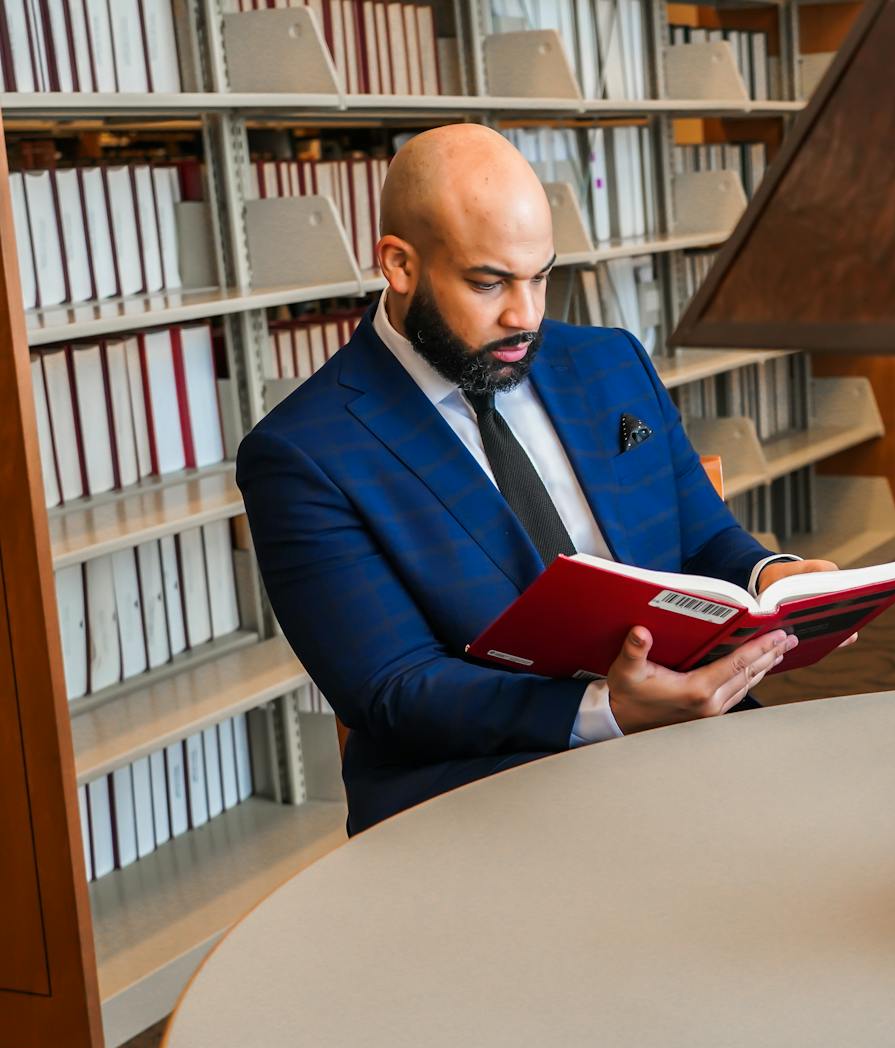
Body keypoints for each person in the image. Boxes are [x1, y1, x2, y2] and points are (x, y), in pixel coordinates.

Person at [238, 124, 844, 833]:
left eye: (541, 276)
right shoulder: (303, 454)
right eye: (488, 281)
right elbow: (395, 691)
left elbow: (704, 539)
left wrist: (773, 576)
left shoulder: (612, 362)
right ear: (398, 265)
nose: (525, 315)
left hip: (692, 742)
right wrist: (605, 711)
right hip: (482, 791)